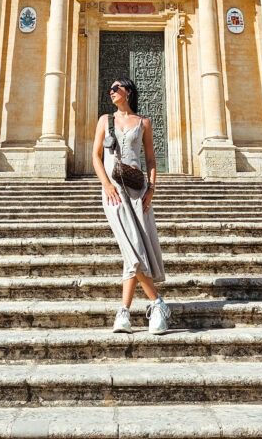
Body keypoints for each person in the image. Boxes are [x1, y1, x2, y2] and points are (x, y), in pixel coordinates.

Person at [92, 77, 171, 335]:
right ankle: (157, 303)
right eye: (110, 88)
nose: (111, 91)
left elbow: (150, 159)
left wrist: (152, 189)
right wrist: (106, 185)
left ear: (128, 91)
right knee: (133, 247)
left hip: (138, 190)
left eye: (116, 88)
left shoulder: (144, 122)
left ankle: (124, 313)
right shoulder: (105, 120)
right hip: (114, 192)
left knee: (133, 250)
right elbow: (95, 156)